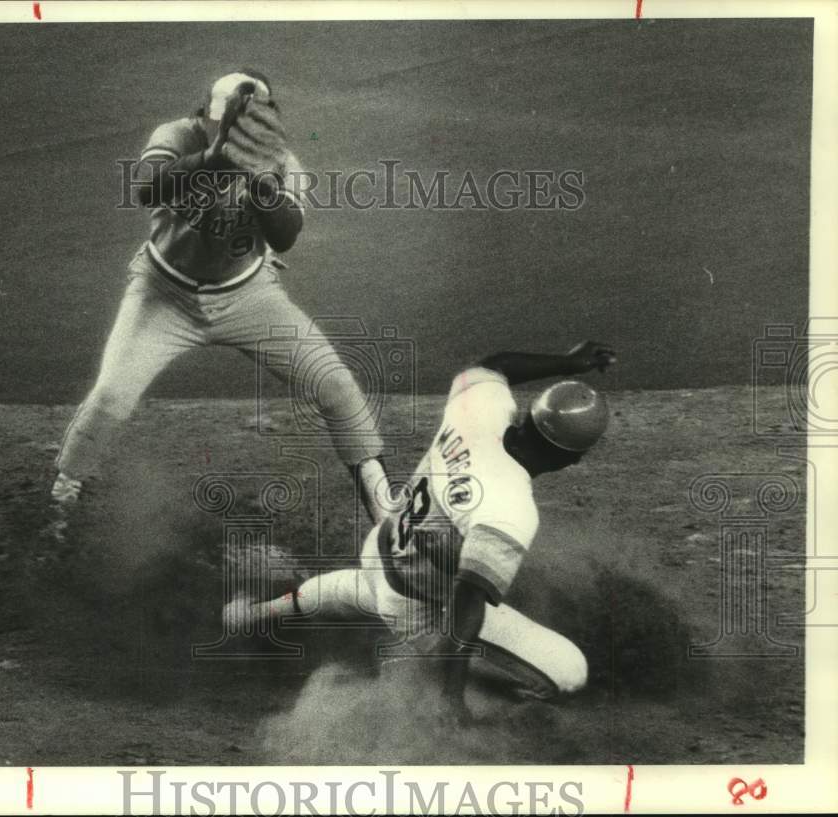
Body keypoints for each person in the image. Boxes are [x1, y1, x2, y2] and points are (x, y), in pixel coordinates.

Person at [51, 70, 390, 526]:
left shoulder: (282, 164)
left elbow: (285, 236)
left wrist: (260, 184)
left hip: (249, 297)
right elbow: (147, 188)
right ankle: (62, 501)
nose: (230, 134)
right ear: (204, 117)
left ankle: (387, 515)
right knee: (110, 396)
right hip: (163, 294)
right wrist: (212, 159)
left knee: (337, 387)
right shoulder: (177, 136)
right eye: (221, 126)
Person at [224, 340, 616, 718]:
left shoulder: (481, 411)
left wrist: (568, 363)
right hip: (416, 609)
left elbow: (494, 365)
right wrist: (451, 696)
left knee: (358, 590)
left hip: (381, 546)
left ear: (530, 415)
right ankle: (425, 675)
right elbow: (467, 601)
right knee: (568, 674)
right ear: (572, 459)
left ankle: (251, 614)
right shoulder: (511, 507)